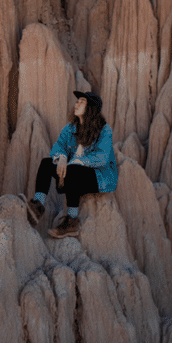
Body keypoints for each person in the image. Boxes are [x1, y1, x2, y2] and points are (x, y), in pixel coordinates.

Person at [26, 90, 116, 238]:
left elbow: (102, 157)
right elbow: (58, 147)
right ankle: (38, 205)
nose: (77, 104)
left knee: (74, 169)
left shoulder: (104, 130)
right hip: (75, 173)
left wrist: (75, 161)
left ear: (91, 109)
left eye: (82, 102)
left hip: (99, 178)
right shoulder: (70, 128)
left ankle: (72, 221)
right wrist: (61, 157)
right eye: (77, 101)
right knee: (46, 163)